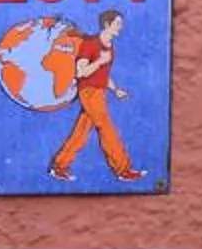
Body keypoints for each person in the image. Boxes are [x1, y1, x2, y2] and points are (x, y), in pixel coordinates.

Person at [48, 9, 145, 182]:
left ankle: (59, 166)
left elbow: (103, 75)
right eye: (118, 24)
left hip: (99, 92)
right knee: (106, 128)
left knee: (82, 131)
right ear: (107, 25)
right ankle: (123, 169)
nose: (121, 28)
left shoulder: (109, 48)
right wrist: (100, 61)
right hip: (89, 92)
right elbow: (81, 72)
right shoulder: (91, 44)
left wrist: (115, 90)